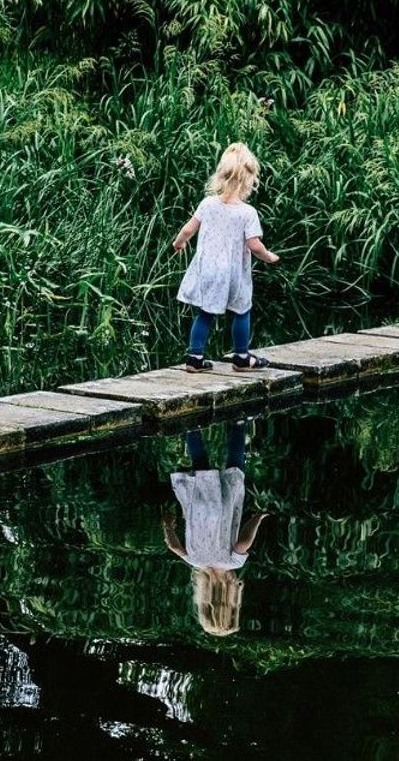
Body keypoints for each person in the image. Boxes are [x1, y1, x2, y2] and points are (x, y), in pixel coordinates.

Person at [172, 142, 279, 372]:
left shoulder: (208, 204)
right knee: (242, 310)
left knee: (205, 313)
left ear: (221, 175)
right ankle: (241, 357)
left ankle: (195, 358)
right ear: (248, 180)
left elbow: (188, 229)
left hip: (207, 269)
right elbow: (254, 245)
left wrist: (179, 243)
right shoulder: (247, 213)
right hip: (233, 273)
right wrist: (269, 256)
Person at [162, 422, 268, 636]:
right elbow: (174, 546)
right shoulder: (194, 561)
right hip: (200, 507)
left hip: (224, 507)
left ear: (232, 602)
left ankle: (238, 423)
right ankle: (191, 425)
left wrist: (257, 518)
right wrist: (168, 525)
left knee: (235, 465)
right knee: (199, 460)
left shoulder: (233, 562)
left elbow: (243, 543)